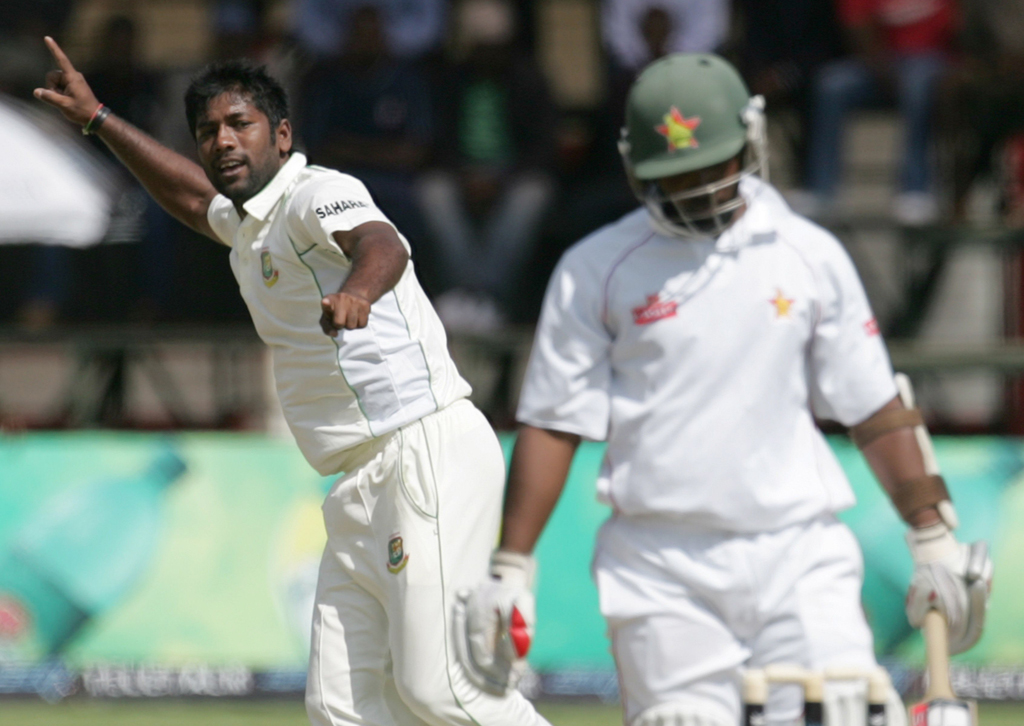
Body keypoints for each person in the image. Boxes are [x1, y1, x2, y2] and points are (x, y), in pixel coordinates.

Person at [456, 54, 993, 726]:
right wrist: (511, 567)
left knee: (846, 711)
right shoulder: (594, 269)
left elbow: (875, 407)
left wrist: (932, 534)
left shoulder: (808, 253)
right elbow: (553, 422)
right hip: (660, 565)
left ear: (751, 140)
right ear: (635, 165)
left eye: (712, 167)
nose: (700, 191)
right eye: (676, 176)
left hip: (798, 552)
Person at [33, 37, 550, 726]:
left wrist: (360, 292)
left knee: (443, 691)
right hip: (357, 482)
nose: (221, 141)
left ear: (281, 135)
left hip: (421, 451)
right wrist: (99, 118)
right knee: (342, 708)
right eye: (207, 131)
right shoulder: (249, 226)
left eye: (238, 124)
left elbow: (381, 244)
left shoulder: (316, 193)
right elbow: (191, 200)